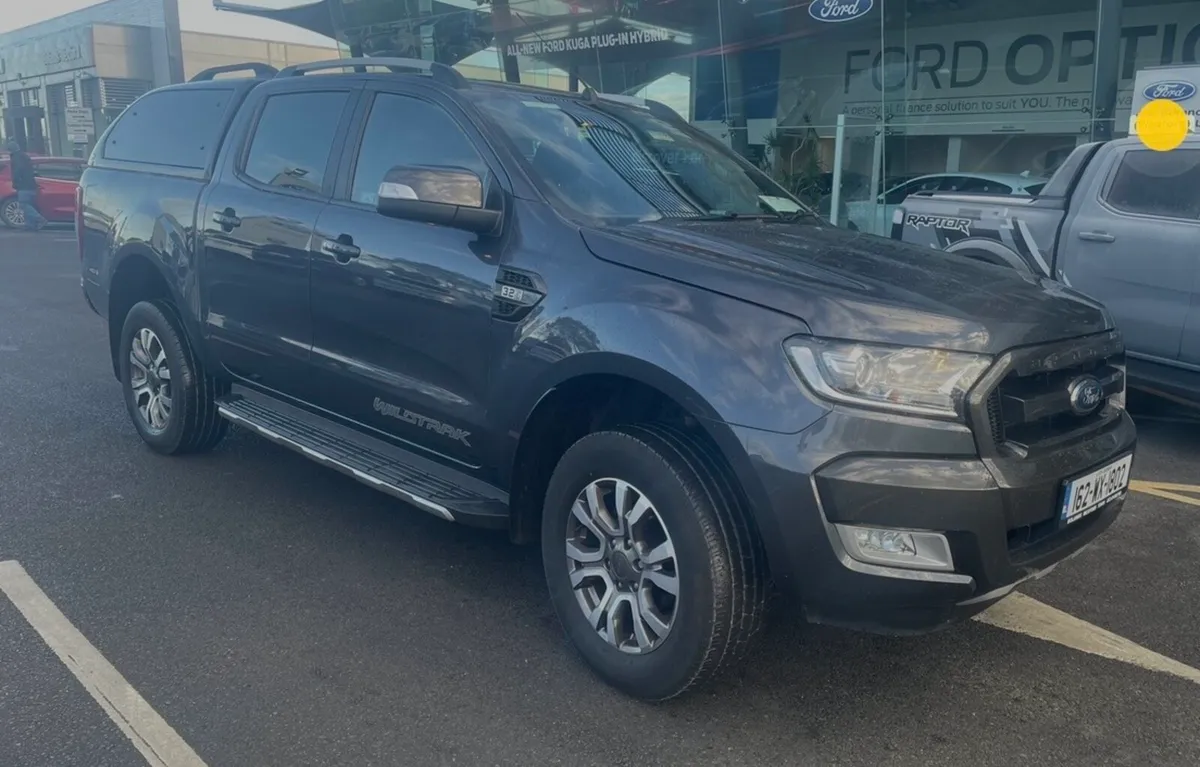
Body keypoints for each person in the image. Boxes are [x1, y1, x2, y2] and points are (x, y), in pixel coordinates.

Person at [6, 139, 47, 231]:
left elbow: (17, 171)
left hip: (23, 185)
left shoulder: (16, 158)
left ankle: (39, 219)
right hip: (31, 184)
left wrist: (16, 181)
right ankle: (30, 225)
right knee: (29, 204)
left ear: (11, 150)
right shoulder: (25, 156)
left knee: (24, 204)